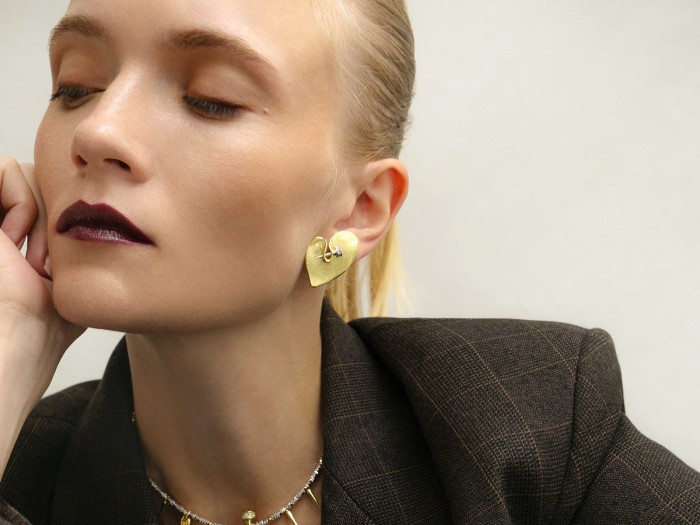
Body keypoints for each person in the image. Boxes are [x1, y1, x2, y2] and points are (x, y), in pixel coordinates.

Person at [0, 1, 698, 524]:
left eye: (211, 99)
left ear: (359, 210)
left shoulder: (530, 427)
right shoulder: (18, 469)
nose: (97, 130)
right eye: (76, 87)